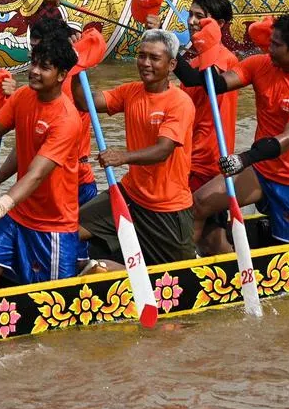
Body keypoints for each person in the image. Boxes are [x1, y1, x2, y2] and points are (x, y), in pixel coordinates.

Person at [180, 13, 289, 245]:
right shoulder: (260, 65)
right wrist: (192, 52)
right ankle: (181, 269)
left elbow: (286, 140)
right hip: (262, 170)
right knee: (197, 204)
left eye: (276, 45)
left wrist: (243, 159)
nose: (269, 49)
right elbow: (213, 85)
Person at [71, 29, 197, 268]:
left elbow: (163, 150)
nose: (145, 63)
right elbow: (84, 101)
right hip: (130, 195)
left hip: (167, 208)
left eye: (154, 58)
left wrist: (122, 157)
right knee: (70, 228)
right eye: (141, 56)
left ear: (171, 65)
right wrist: (79, 66)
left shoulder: (180, 103)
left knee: (179, 276)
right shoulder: (130, 92)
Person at [0, 34, 82, 287]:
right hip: (19, 212)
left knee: (52, 297)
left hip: (54, 224)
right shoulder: (22, 97)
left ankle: (91, 267)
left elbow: (36, 174)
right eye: (34, 63)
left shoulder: (66, 119)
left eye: (44, 67)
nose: (34, 71)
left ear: (62, 75)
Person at [164, 0, 239, 255]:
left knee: (189, 225)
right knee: (213, 238)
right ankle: (236, 276)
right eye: (191, 15)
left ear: (219, 25)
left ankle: (177, 272)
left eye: (201, 17)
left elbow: (203, 81)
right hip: (189, 156)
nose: (193, 21)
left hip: (207, 159)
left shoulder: (222, 58)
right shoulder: (194, 59)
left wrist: (168, 48)